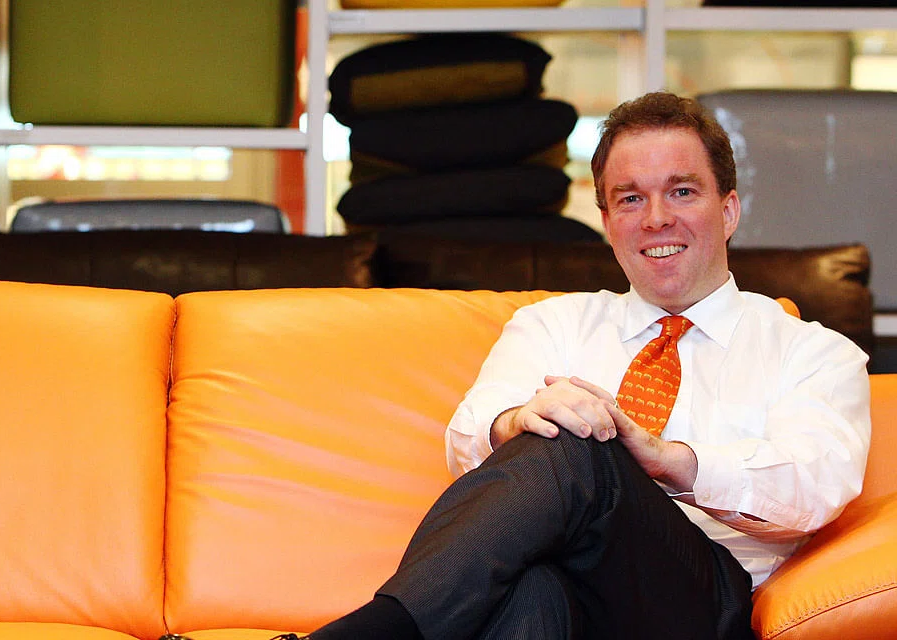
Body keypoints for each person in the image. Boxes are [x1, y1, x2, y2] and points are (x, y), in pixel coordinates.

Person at [285, 91, 873, 640]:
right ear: (607, 222)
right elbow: (467, 437)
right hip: (566, 593)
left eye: (681, 192)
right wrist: (516, 422)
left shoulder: (815, 352)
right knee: (531, 582)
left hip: (697, 602)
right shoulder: (553, 323)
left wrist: (667, 461)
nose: (656, 218)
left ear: (729, 210)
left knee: (580, 440)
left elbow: (815, 485)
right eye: (630, 198)